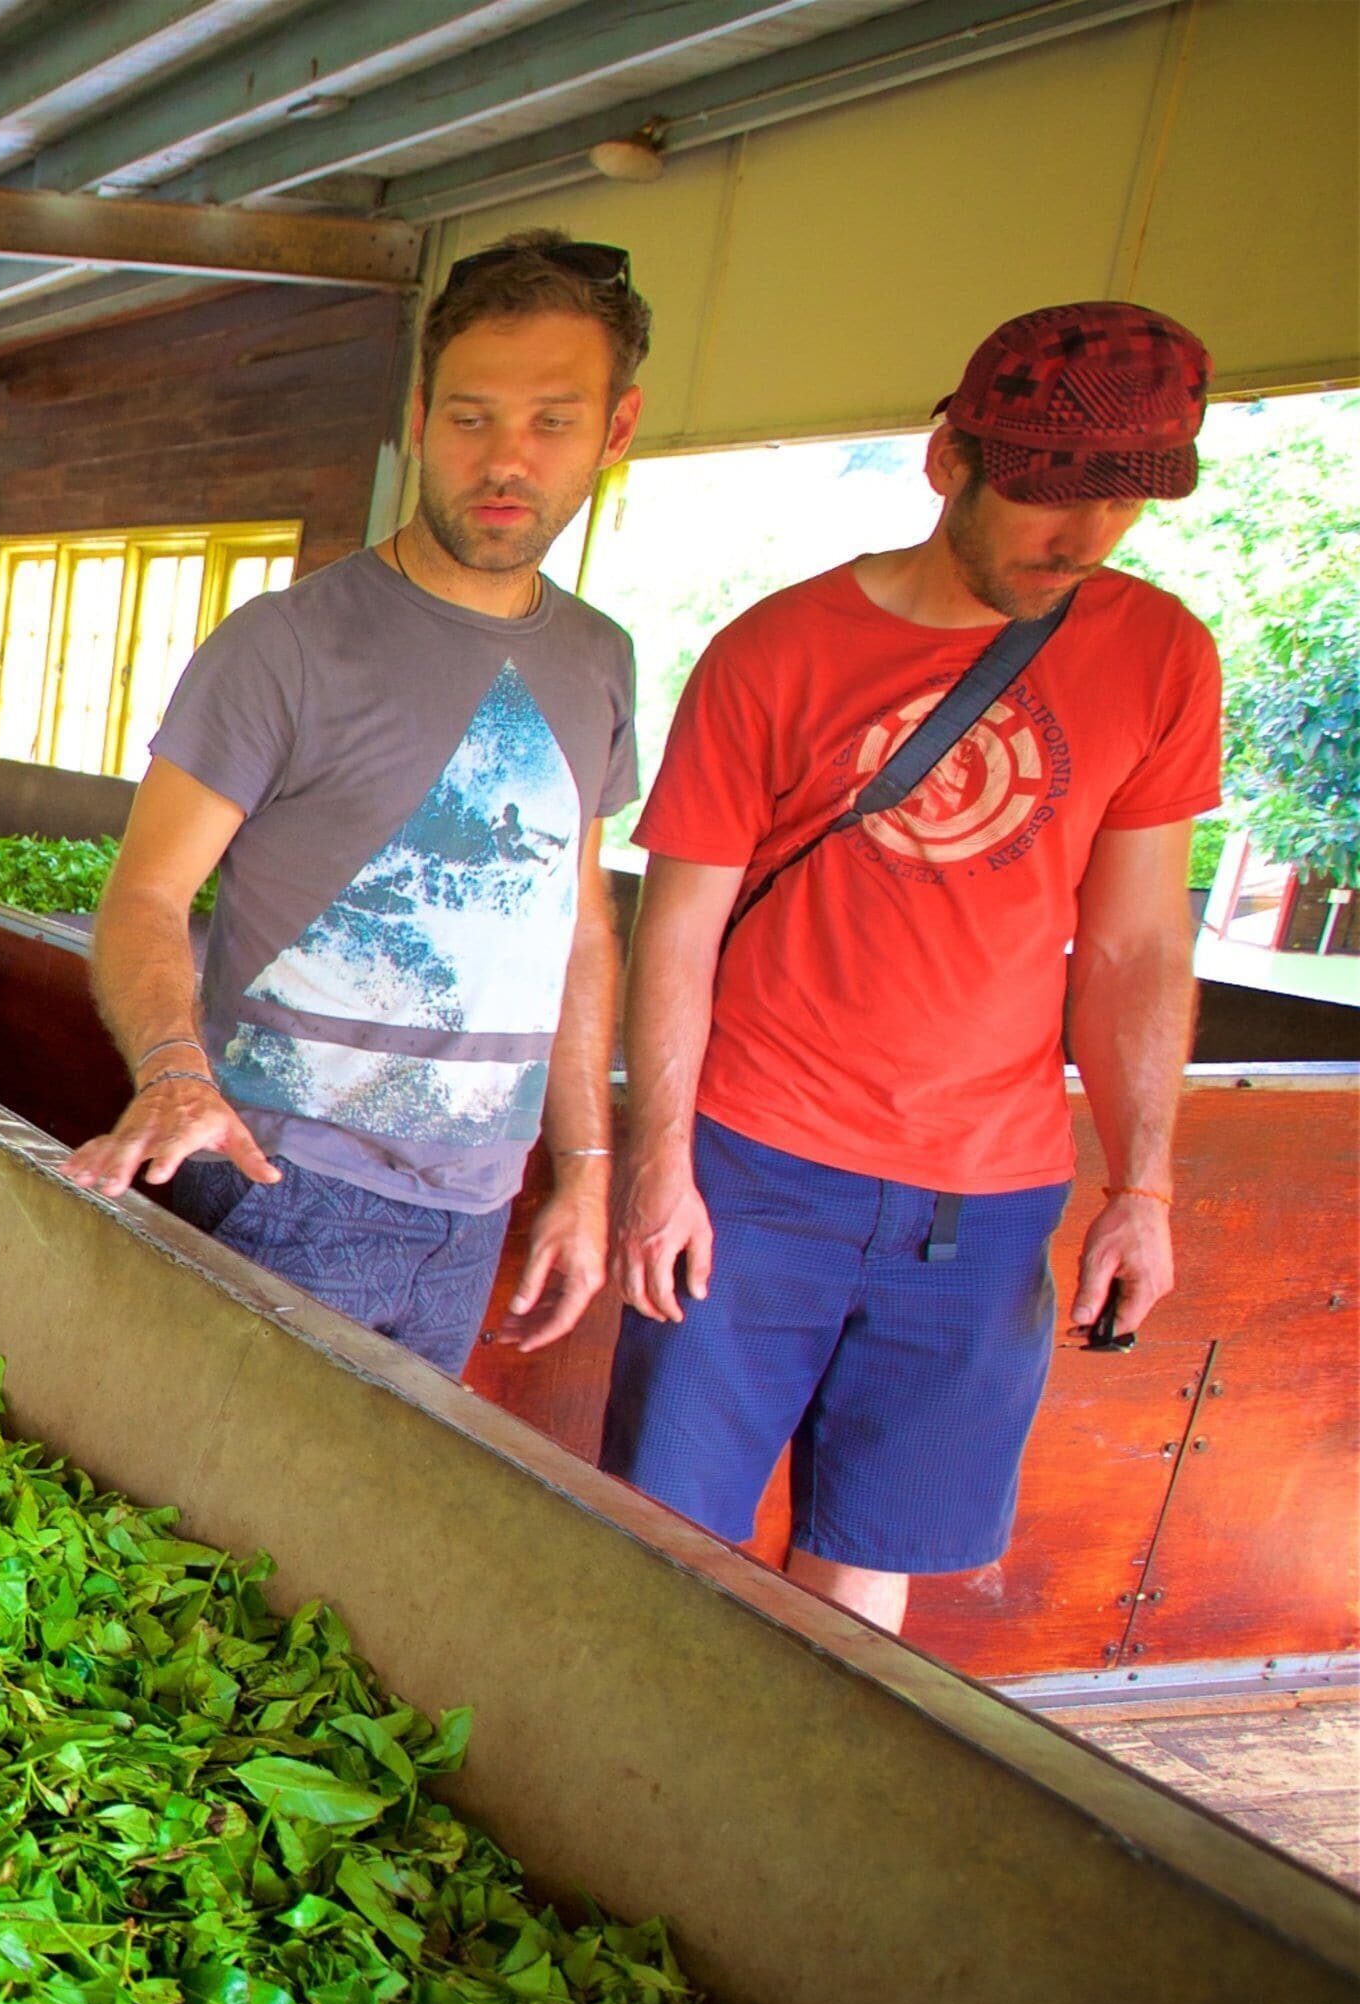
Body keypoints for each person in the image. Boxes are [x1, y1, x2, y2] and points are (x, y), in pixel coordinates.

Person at [604, 302, 1222, 1635]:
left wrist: (1145, 1184)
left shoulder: (1160, 657)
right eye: (1052, 499)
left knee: (874, 1548)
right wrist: (659, 1173)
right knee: (658, 1539)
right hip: (756, 1164)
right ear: (951, 459)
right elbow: (680, 930)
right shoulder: (776, 651)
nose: (1085, 539)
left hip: (986, 1196)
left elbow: (1135, 943)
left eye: (1121, 505)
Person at [62, 232, 643, 1373]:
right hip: (284, 1186)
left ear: (616, 431)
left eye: (553, 423)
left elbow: (577, 932)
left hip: (476, 1213)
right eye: (472, 418)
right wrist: (174, 1072)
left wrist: (582, 1173)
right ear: (422, 415)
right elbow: (144, 894)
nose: (506, 460)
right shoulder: (287, 646)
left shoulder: (597, 660)